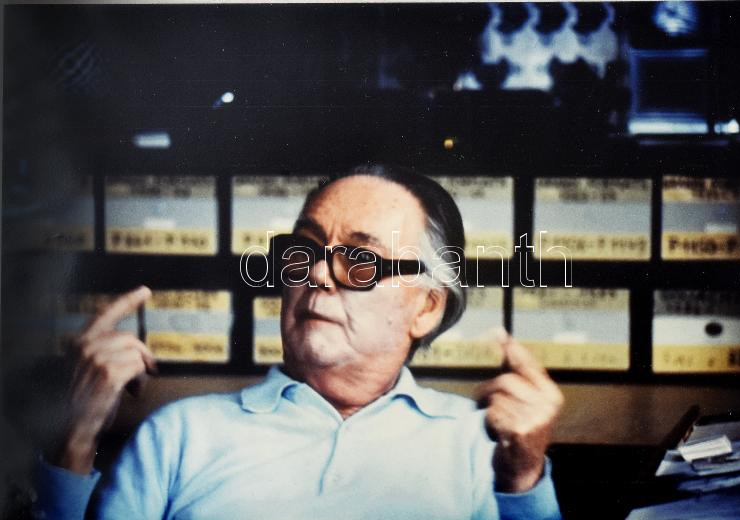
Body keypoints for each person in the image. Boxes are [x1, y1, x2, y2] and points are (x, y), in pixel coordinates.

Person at [36, 165, 564, 519]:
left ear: (426, 307)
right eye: (304, 250)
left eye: (360, 259)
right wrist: (75, 440)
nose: (316, 273)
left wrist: (523, 479)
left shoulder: (479, 444)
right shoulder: (179, 435)